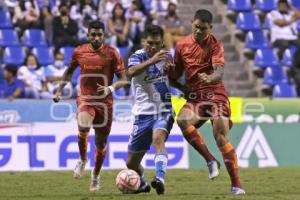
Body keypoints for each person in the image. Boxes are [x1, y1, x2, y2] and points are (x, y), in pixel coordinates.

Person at [171, 9, 245, 195]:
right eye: (196, 27)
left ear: (210, 28)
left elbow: (220, 71)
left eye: (203, 29)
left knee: (220, 135)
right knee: (181, 120)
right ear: (192, 24)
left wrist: (210, 78)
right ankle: (211, 160)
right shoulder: (181, 45)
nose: (198, 31)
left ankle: (237, 185)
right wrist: (172, 76)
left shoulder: (215, 44)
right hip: (195, 96)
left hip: (215, 93)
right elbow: (175, 76)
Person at [53, 20, 128, 192]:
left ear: (104, 35)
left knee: (101, 144)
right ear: (88, 35)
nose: (96, 37)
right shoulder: (79, 51)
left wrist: (110, 88)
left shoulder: (112, 53)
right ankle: (82, 159)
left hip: (105, 103)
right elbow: (69, 71)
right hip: (86, 98)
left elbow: (124, 79)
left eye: (99, 34)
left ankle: (95, 175)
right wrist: (59, 90)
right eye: (93, 34)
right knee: (83, 126)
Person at [126, 25, 174, 195]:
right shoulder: (137, 57)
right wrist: (152, 61)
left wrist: (183, 87)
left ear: (162, 42)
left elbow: (173, 78)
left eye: (157, 43)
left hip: (164, 110)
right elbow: (131, 71)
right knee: (131, 163)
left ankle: (159, 178)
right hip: (142, 114)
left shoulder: (167, 57)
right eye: (150, 43)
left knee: (158, 139)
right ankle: (144, 184)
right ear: (143, 41)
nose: (153, 47)